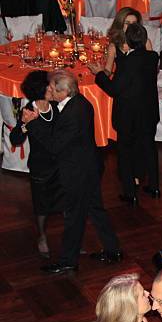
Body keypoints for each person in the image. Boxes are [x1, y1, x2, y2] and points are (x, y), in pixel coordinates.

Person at [22, 70, 121, 273]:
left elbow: (54, 145)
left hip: (78, 172)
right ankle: (113, 250)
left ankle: (68, 261)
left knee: (74, 217)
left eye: (52, 88)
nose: (48, 90)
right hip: (89, 167)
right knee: (95, 210)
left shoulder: (72, 114)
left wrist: (32, 124)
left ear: (64, 91)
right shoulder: (80, 102)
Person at [90, 24, 160, 205]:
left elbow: (113, 89)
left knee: (125, 152)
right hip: (149, 114)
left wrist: (99, 74)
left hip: (128, 116)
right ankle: (154, 186)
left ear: (127, 42)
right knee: (150, 149)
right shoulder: (153, 57)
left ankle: (130, 193)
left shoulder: (127, 63)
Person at [9, 71, 62, 258]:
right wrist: (24, 124)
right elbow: (15, 139)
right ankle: (41, 236)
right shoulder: (29, 110)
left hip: (60, 164)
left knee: (65, 202)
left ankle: (69, 239)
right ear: (39, 90)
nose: (51, 88)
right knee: (41, 206)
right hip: (41, 167)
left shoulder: (56, 106)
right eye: (48, 86)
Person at [104, 7, 153, 76]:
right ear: (120, 24)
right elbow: (108, 70)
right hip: (122, 83)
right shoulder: (113, 46)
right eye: (127, 23)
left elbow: (152, 67)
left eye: (134, 23)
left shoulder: (145, 42)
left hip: (140, 83)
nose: (131, 27)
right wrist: (100, 72)